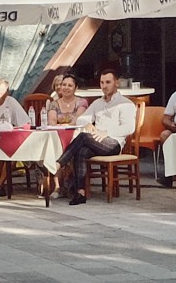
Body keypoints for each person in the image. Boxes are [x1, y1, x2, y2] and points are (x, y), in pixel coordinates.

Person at [58, 69, 137, 205]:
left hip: (114, 143)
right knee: (81, 150)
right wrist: (88, 123)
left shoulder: (125, 103)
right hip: (96, 142)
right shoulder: (97, 103)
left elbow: (129, 128)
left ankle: (59, 163)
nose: (104, 86)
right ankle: (80, 193)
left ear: (116, 83)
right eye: (102, 82)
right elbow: (81, 119)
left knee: (83, 137)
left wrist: (106, 132)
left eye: (108, 82)